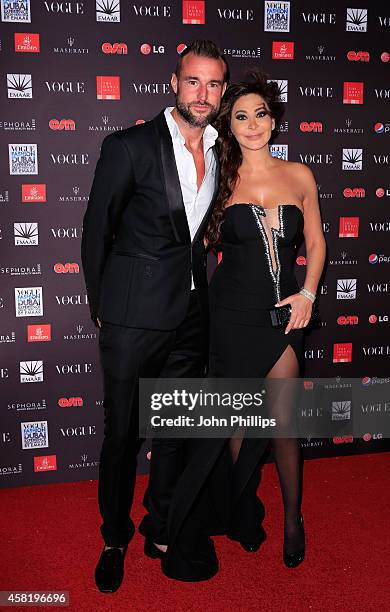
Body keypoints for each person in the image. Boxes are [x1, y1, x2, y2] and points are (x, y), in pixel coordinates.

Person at [81, 40, 228, 590]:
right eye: (194, 81)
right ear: (175, 81)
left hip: (192, 316)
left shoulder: (220, 150)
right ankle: (114, 536)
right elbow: (97, 232)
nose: (204, 94)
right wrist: (104, 309)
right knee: (123, 434)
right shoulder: (129, 146)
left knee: (172, 433)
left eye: (214, 84)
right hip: (133, 318)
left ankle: (160, 523)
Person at [203, 72, 326, 567]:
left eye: (260, 114)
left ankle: (293, 520)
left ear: (273, 121)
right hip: (229, 314)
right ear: (229, 126)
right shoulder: (218, 178)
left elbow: (315, 242)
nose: (252, 124)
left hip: (283, 318)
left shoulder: (300, 175)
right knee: (236, 424)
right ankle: (244, 509)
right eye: (240, 116)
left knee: (284, 424)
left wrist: (308, 295)